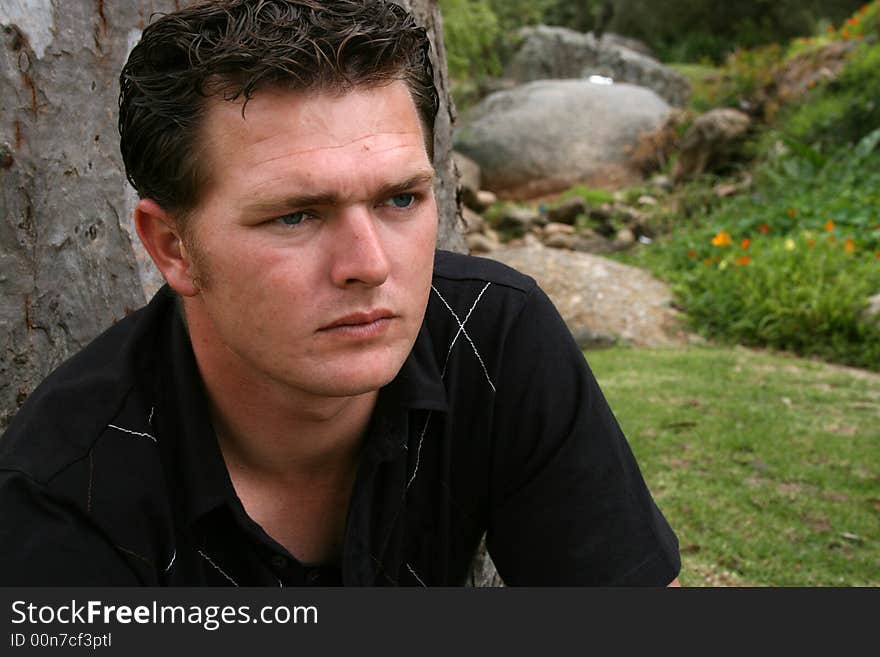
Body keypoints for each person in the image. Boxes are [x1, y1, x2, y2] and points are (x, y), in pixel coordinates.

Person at [0, 0, 680, 586]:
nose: (370, 264)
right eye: (295, 215)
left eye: (401, 198)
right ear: (172, 246)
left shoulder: (493, 337)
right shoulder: (64, 496)